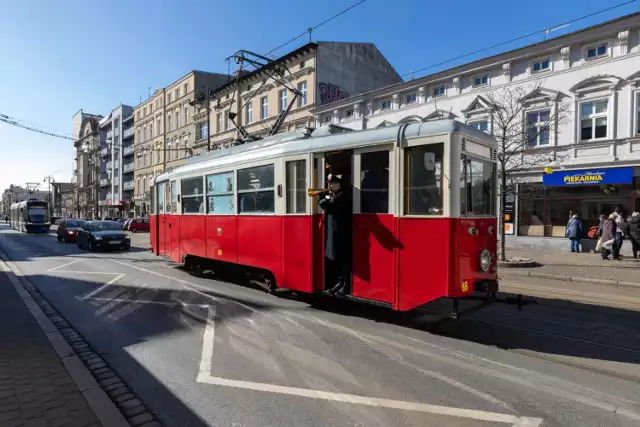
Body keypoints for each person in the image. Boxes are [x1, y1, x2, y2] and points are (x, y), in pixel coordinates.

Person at [318, 174, 351, 296]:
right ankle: (340, 282)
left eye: (332, 183)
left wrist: (321, 199)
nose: (330, 186)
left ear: (339, 184)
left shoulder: (342, 196)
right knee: (337, 259)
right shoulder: (334, 195)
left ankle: (346, 284)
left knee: (343, 260)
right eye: (329, 183)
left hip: (341, 233)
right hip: (334, 232)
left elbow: (330, 207)